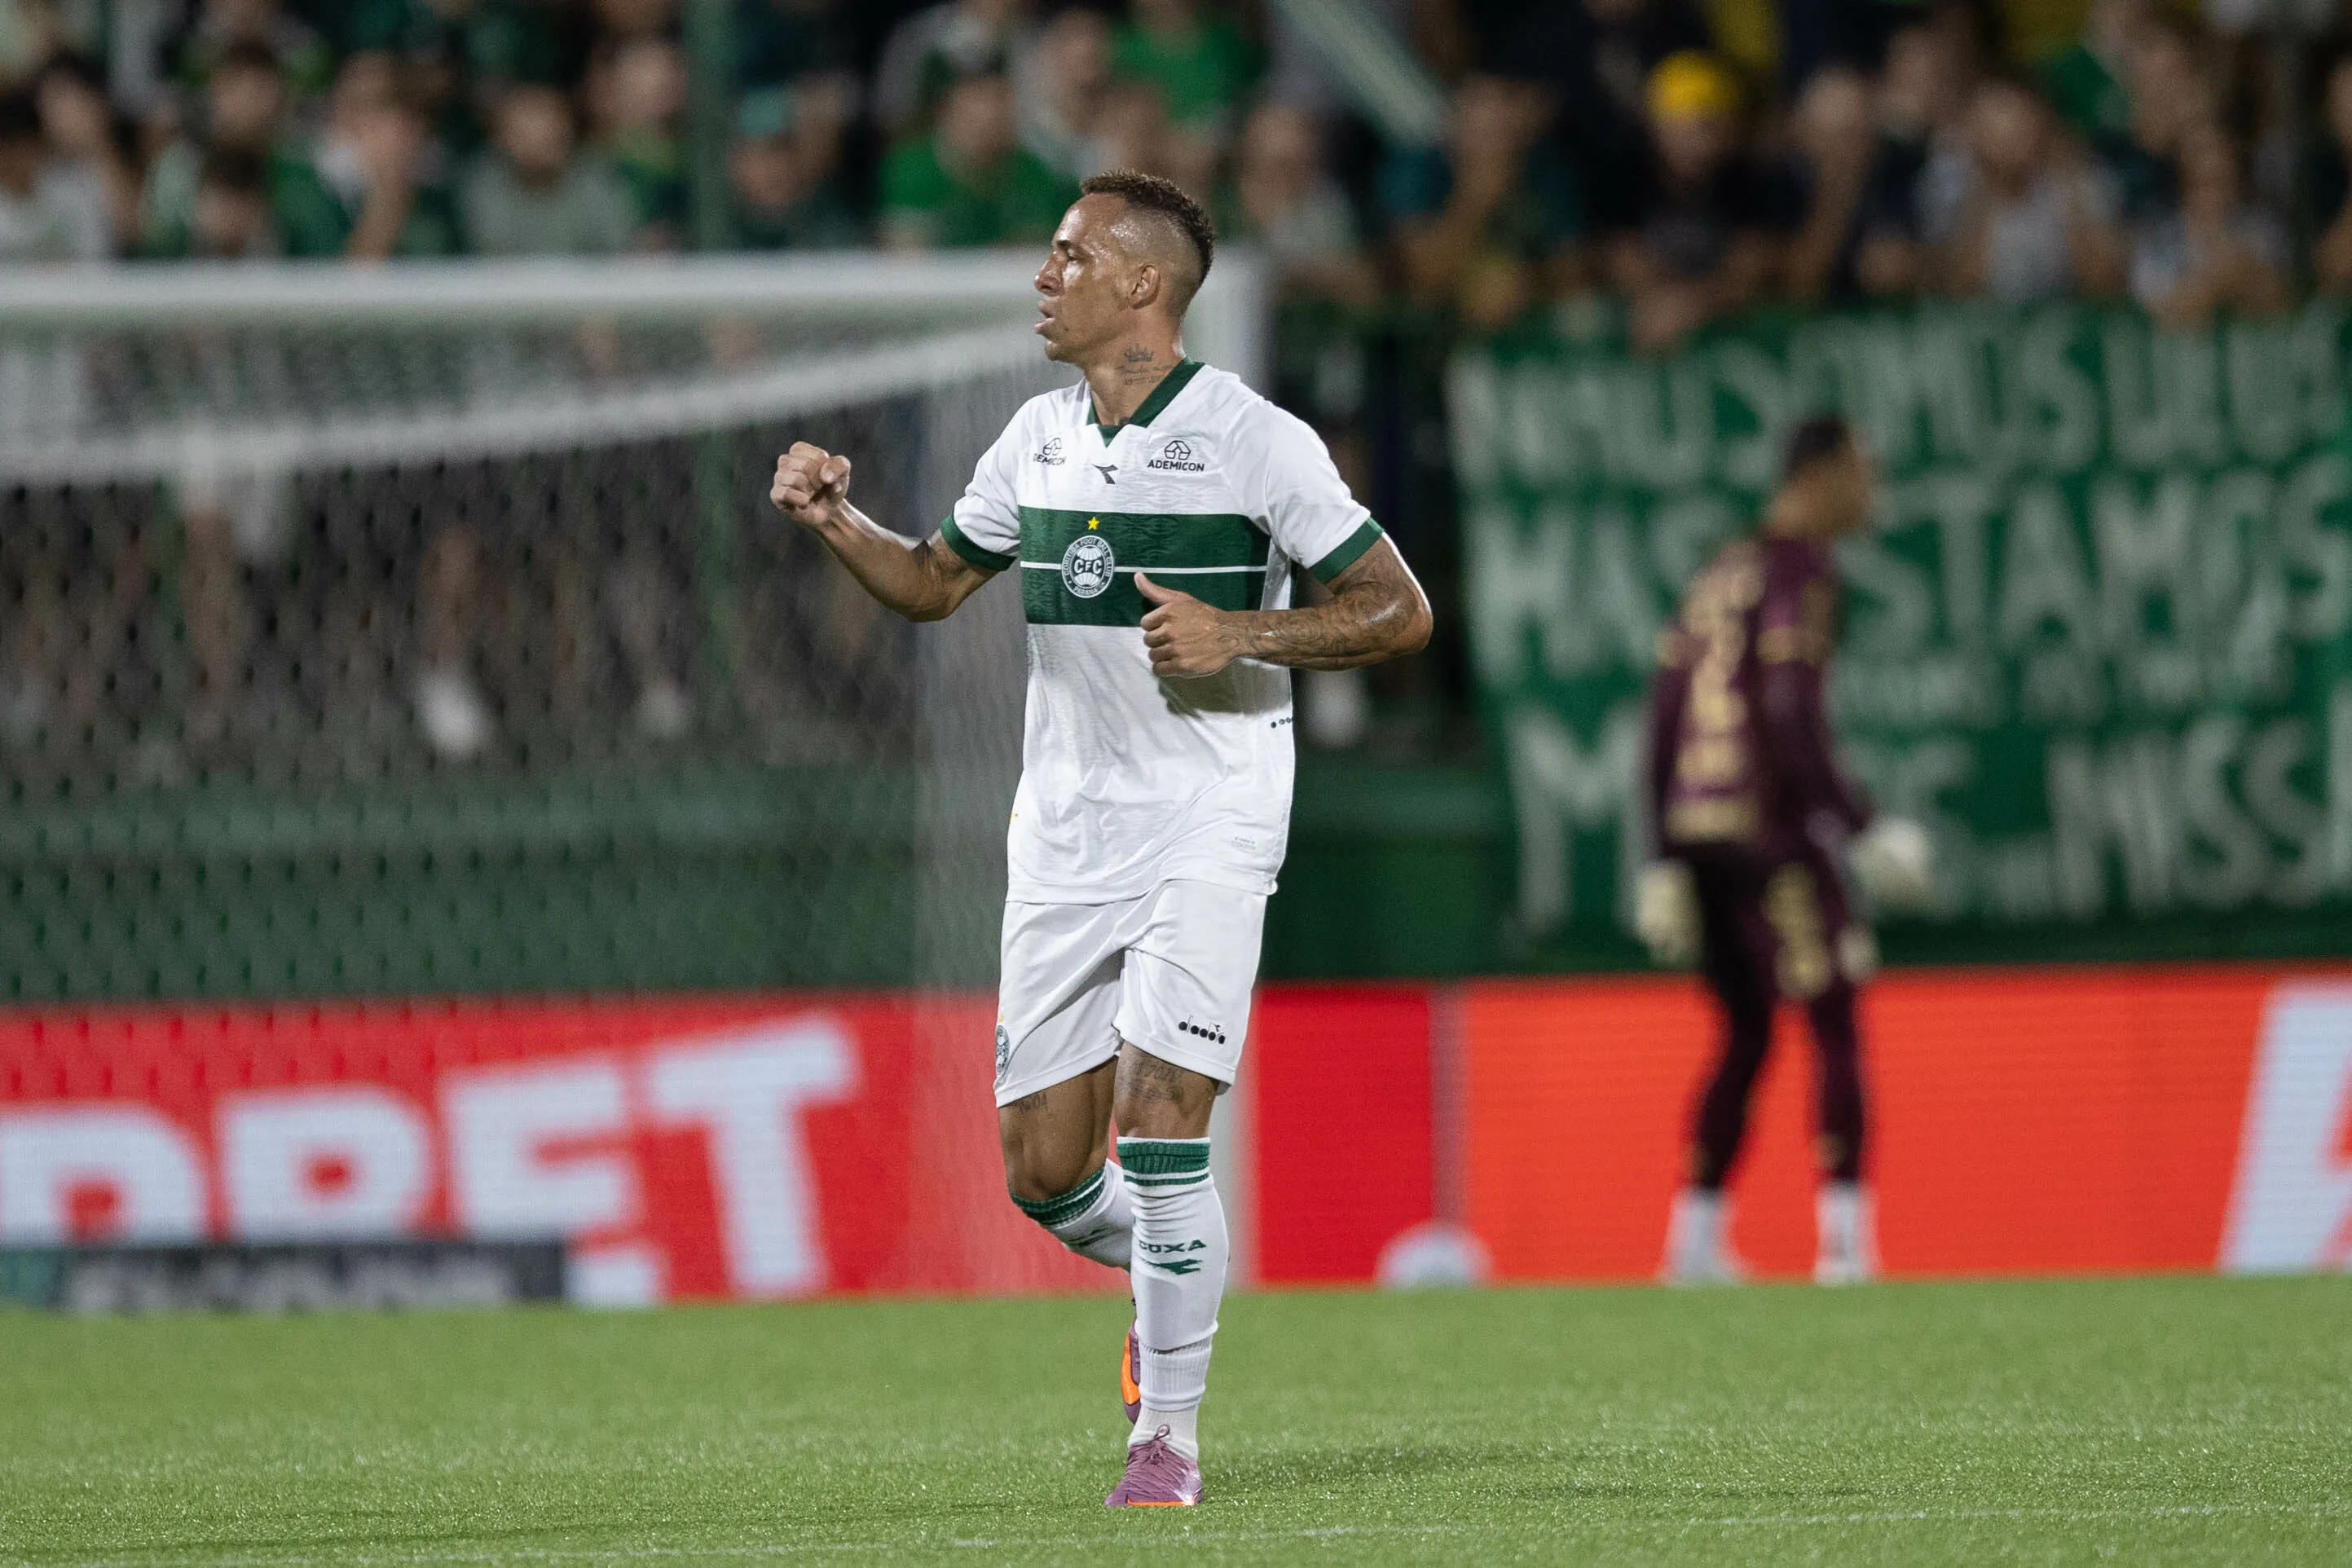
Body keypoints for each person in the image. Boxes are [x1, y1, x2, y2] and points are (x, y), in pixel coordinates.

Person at [768, 170, 1430, 1504]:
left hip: (1213, 807)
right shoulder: (1035, 438)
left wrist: (1241, 629)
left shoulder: (1256, 440)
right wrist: (837, 517)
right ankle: (1163, 1276)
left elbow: (1397, 608)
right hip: (1067, 828)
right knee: (1045, 1169)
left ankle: (1166, 1438)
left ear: (1143, 285)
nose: (1041, 275)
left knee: (1162, 1114)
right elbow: (933, 582)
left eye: (1068, 255)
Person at [1639, 416, 1929, 1288]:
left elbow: (1662, 711)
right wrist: (1858, 822)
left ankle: (1693, 1241)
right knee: (1833, 1007)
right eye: (1864, 471)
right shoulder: (1803, 569)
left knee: (1747, 1028)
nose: (1872, 492)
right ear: (1825, 471)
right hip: (1769, 830)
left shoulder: (1721, 568)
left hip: (1699, 829)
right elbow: (1791, 711)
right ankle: (1845, 1246)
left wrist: (1660, 850)